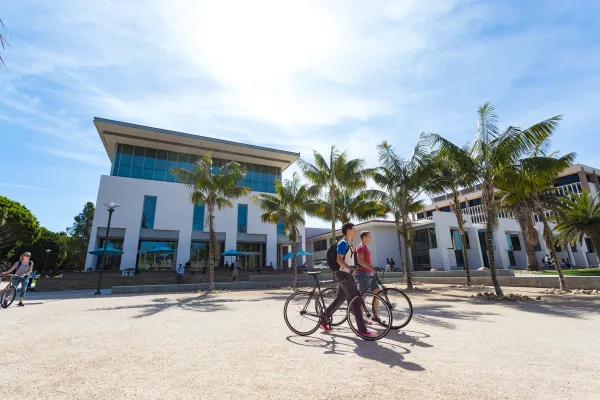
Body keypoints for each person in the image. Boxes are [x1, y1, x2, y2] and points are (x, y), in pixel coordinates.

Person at [321, 223, 375, 338]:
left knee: (340, 299)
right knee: (356, 300)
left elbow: (348, 260)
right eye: (353, 228)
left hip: (345, 274)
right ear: (348, 230)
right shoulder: (343, 243)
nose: (355, 230)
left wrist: (354, 268)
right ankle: (362, 330)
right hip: (343, 274)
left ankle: (323, 319)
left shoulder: (350, 244)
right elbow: (339, 259)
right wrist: (350, 269)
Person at [355, 231, 383, 324]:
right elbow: (360, 261)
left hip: (368, 274)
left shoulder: (365, 247)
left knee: (377, 292)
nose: (370, 239)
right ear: (364, 238)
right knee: (362, 296)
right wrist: (371, 268)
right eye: (369, 237)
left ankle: (375, 316)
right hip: (363, 274)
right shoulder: (360, 247)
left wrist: (372, 269)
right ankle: (360, 319)